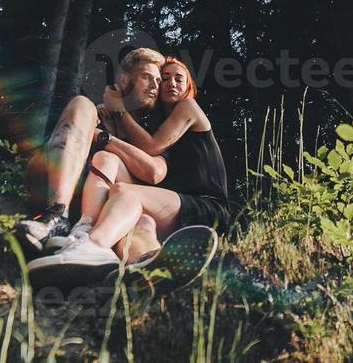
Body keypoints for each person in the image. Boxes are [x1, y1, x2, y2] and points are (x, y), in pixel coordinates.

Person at [26, 56, 229, 273]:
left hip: (206, 205)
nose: (170, 83)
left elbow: (152, 152)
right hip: (169, 208)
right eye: (166, 79)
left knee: (125, 193)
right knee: (135, 215)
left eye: (179, 79)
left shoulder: (188, 108)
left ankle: (93, 244)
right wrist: (110, 120)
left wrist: (117, 113)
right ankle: (142, 267)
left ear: (189, 85)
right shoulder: (158, 125)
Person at [13, 46, 166, 256]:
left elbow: (154, 172)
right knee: (81, 103)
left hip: (112, 217)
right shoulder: (94, 114)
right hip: (64, 194)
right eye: (147, 77)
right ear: (123, 80)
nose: (154, 86)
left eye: (158, 81)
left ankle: (146, 273)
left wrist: (104, 134)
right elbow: (40, 164)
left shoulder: (152, 136)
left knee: (143, 220)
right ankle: (56, 216)